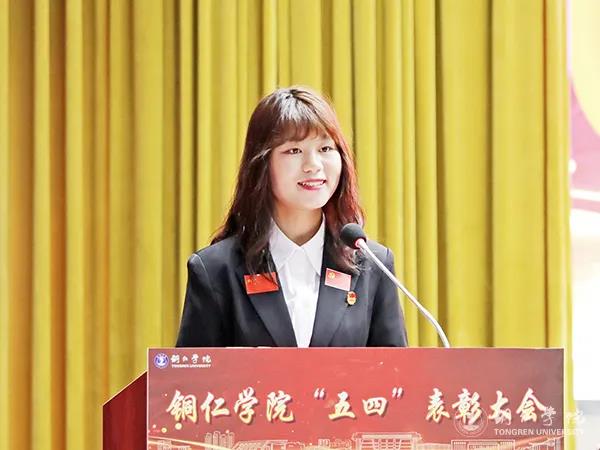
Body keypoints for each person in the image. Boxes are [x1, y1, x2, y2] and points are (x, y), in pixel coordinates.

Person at [176, 86, 408, 348]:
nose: (313, 165)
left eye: (325, 148)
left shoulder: (373, 265)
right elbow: (192, 372)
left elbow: (396, 371)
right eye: (294, 151)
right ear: (262, 164)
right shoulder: (216, 270)